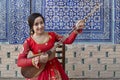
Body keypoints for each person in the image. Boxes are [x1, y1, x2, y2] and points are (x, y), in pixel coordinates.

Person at [17, 13, 85, 80]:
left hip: (54, 67)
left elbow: (68, 40)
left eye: (41, 23)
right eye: (36, 24)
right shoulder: (29, 41)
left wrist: (76, 29)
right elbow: (20, 61)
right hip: (38, 70)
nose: (40, 26)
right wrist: (38, 59)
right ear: (32, 27)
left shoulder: (52, 35)